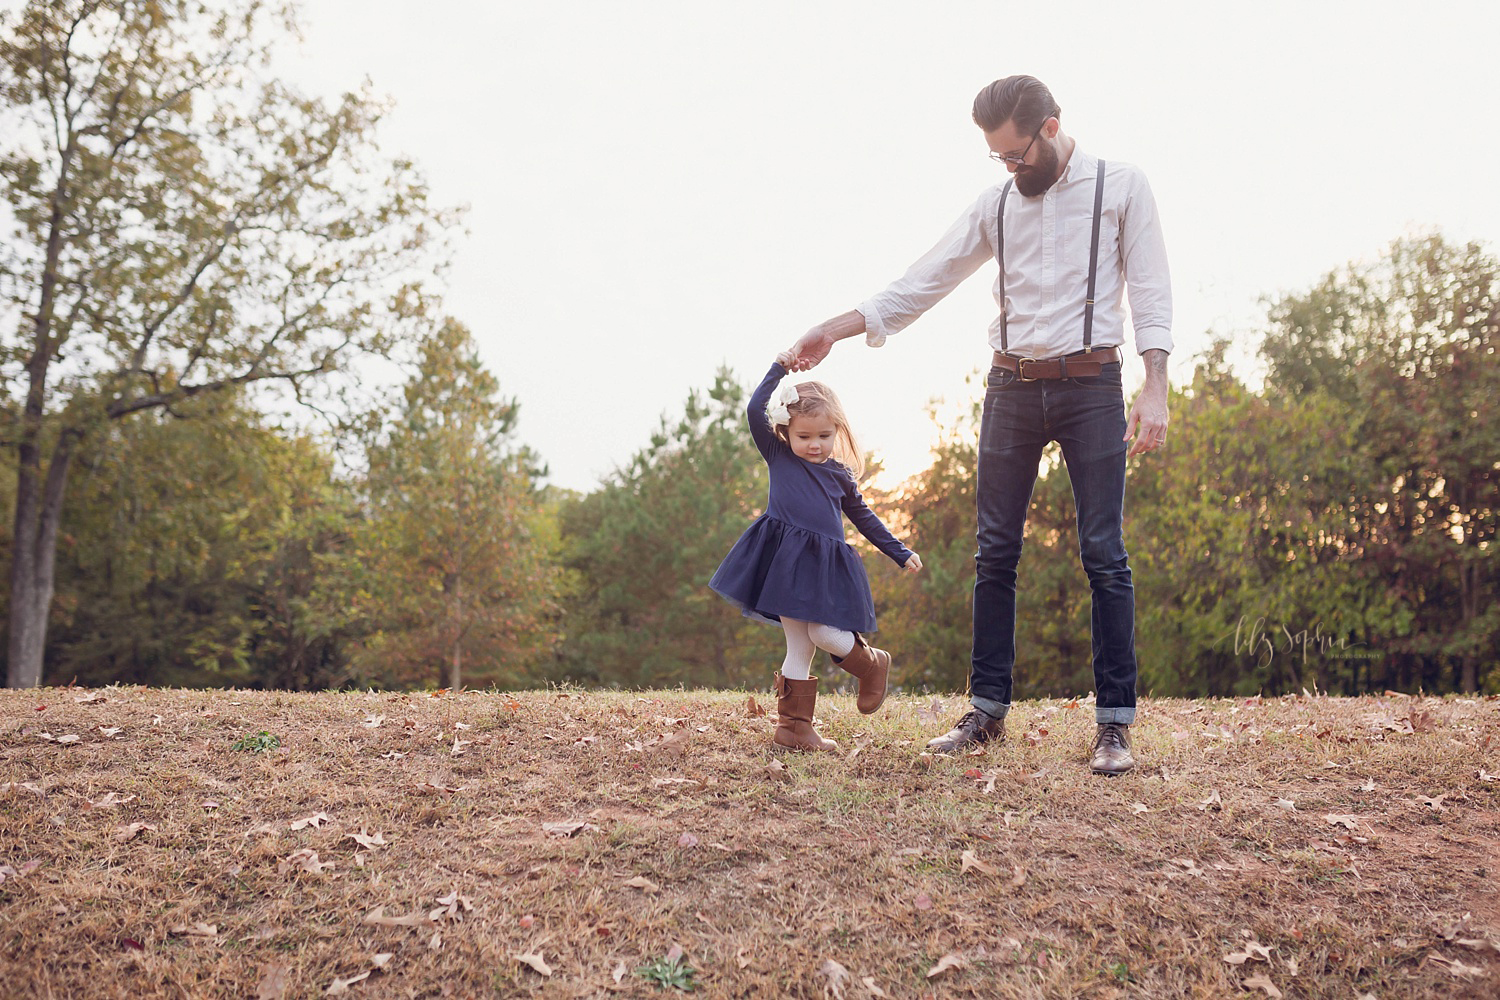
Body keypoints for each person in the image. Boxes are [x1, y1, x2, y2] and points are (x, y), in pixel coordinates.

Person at [783, 75, 1171, 775]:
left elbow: (1149, 285)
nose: (1010, 169)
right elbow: (922, 280)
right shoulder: (996, 205)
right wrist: (834, 330)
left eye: (1017, 154)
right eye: (999, 158)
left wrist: (1157, 386)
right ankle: (986, 710)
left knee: (1103, 553)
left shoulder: (1122, 186)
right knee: (994, 553)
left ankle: (1114, 724)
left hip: (1092, 386)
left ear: (1051, 128)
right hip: (1011, 387)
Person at [710, 351, 923, 752]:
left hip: (823, 566)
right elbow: (755, 408)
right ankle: (793, 729)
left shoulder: (839, 475)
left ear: (837, 431)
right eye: (804, 436)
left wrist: (898, 550)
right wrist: (779, 369)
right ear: (787, 433)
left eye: (824, 436)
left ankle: (872, 664)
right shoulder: (778, 456)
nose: (814, 444)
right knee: (799, 645)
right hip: (785, 564)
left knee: (823, 631)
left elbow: (865, 518)